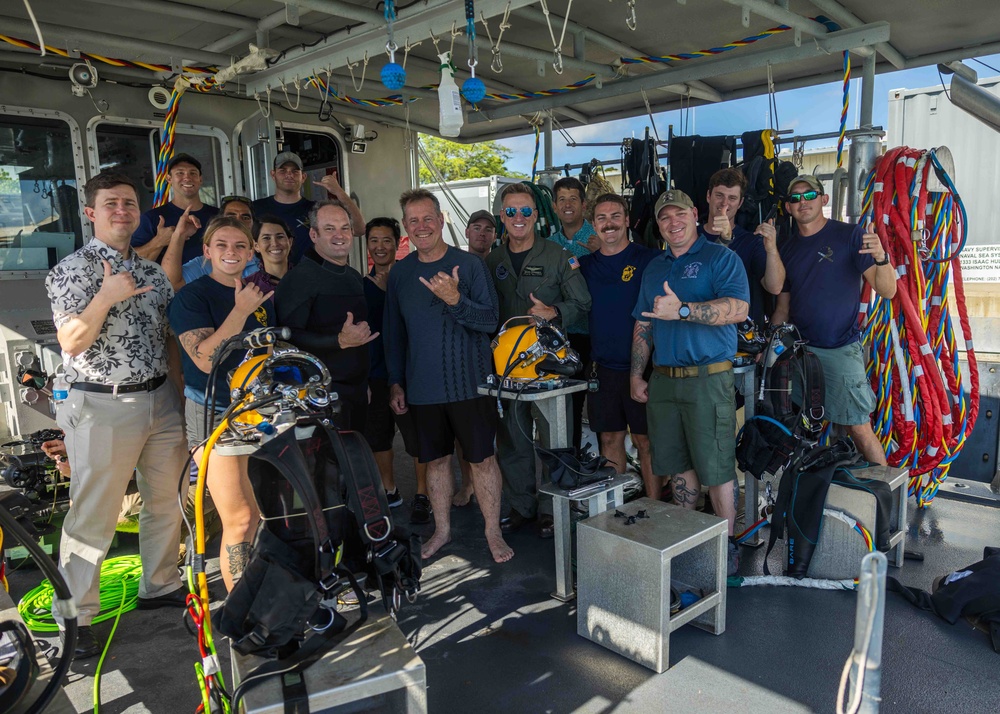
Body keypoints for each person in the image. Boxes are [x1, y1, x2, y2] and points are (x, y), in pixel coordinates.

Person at [46, 171, 190, 660]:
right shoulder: (73, 271)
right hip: (102, 403)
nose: (121, 211)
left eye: (129, 203)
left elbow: (168, 340)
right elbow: (71, 341)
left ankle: (160, 584)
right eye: (111, 204)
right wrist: (106, 296)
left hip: (160, 400)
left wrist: (180, 394)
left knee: (167, 500)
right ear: (91, 213)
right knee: (93, 515)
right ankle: (76, 618)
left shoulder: (152, 275)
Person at [386, 189, 511, 563]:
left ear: (441, 221)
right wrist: (396, 380)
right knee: (436, 462)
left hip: (471, 384)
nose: (422, 226)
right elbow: (394, 333)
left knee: (482, 460)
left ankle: (493, 531)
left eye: (428, 218)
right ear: (406, 228)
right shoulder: (400, 273)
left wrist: (456, 300)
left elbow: (491, 322)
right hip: (423, 388)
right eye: (414, 221)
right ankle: (442, 531)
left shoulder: (469, 266)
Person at [630, 189, 749, 576]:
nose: (673, 222)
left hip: (708, 379)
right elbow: (644, 323)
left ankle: (727, 543)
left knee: (716, 465)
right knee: (678, 463)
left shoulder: (721, 258)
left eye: (679, 214)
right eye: (664, 217)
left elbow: (738, 310)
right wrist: (636, 373)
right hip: (664, 379)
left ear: (695, 214)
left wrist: (682, 310)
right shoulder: (654, 268)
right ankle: (688, 535)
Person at [168, 216, 274, 591]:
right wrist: (240, 309)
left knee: (257, 513)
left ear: (251, 251)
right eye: (223, 246)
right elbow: (204, 359)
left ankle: (255, 595)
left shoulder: (260, 294)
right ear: (207, 252)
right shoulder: (190, 298)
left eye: (240, 246)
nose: (232, 252)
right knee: (240, 517)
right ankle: (240, 611)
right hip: (212, 413)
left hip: (255, 410)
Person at [487, 183, 592, 538]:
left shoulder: (558, 256)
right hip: (507, 370)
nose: (519, 218)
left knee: (553, 441)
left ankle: (553, 510)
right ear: (503, 216)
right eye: (511, 211)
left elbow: (583, 303)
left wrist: (554, 311)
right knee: (512, 441)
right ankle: (521, 507)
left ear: (536, 216)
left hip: (548, 367)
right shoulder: (492, 261)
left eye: (526, 211)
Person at [771, 175, 897, 466]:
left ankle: (886, 504)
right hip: (801, 354)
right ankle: (809, 499)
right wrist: (771, 348)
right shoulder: (787, 249)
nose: (803, 202)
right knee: (801, 428)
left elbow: (887, 290)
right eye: (795, 198)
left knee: (859, 428)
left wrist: (881, 257)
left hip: (839, 350)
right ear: (788, 208)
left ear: (823, 200)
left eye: (810, 195)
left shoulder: (849, 235)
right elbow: (783, 306)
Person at [578, 194, 661, 498]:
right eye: (601, 218)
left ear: (627, 221)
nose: (609, 223)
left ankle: (655, 510)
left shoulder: (650, 259)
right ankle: (616, 509)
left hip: (644, 368)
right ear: (593, 225)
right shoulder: (583, 266)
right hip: (603, 368)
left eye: (615, 216)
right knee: (610, 440)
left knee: (645, 442)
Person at [276, 200, 375, 431]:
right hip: (318, 397)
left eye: (344, 228)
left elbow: (359, 340)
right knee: (327, 466)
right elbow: (286, 340)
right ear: (313, 234)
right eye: (329, 228)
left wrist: (363, 383)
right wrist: (337, 341)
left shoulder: (352, 276)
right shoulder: (299, 279)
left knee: (355, 463)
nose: (339, 235)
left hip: (356, 392)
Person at [361, 216, 431, 524]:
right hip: (376, 372)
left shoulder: (410, 278)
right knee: (379, 437)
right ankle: (389, 490)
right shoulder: (360, 285)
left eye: (386, 240)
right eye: (374, 240)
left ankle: (423, 494)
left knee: (417, 438)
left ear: (398, 242)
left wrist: (392, 291)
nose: (380, 246)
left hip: (410, 371)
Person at [699, 168, 785, 325]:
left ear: (740, 203)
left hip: (742, 339)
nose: (725, 203)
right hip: (699, 333)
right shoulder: (691, 237)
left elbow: (775, 287)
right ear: (708, 196)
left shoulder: (751, 241)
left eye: (732, 198)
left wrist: (772, 249)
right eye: (719, 195)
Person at [549, 177, 597, 450]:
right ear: (554, 207)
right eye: (562, 200)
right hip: (564, 336)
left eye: (573, 199)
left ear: (584, 204)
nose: (567, 205)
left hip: (597, 334)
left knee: (602, 410)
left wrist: (602, 253)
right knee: (568, 404)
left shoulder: (599, 236)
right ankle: (573, 464)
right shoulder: (549, 244)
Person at [252, 152, 363, 262]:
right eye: (283, 170)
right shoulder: (255, 208)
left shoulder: (317, 209)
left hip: (311, 276)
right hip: (269, 278)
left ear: (303, 177)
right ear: (273, 175)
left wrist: (339, 192)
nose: (289, 175)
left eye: (295, 171)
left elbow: (359, 229)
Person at [131, 153, 218, 263]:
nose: (187, 177)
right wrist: (159, 241)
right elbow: (131, 263)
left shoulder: (218, 216)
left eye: (193, 173)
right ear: (169, 179)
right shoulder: (152, 218)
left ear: (200, 179)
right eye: (180, 173)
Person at [161, 196, 259, 290]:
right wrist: (179, 235)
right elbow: (169, 283)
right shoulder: (206, 263)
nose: (238, 221)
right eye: (231, 216)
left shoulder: (263, 258)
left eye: (245, 218)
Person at [244, 215, 293, 294]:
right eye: (266, 238)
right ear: (256, 246)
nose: (275, 244)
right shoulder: (248, 286)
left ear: (290, 242)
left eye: (280, 237)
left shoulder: (307, 280)